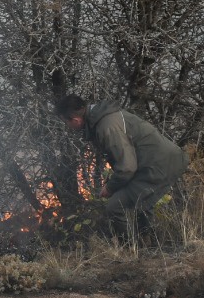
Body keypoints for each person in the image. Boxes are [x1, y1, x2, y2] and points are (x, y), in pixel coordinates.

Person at [57, 94, 189, 243]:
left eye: (66, 122)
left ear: (75, 119)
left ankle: (130, 252)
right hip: (160, 162)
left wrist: (110, 188)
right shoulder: (101, 119)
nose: (67, 127)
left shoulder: (106, 127)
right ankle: (149, 246)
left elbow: (127, 168)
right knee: (142, 203)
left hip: (158, 165)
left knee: (115, 206)